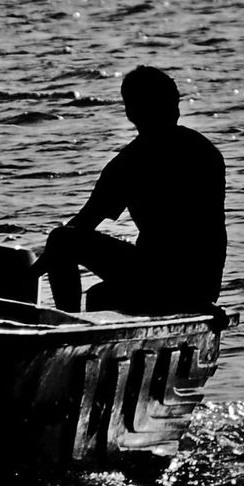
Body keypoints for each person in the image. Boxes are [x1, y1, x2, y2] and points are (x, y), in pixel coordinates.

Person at [31, 66, 226, 314]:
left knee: (61, 239)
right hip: (202, 285)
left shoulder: (130, 163)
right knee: (100, 296)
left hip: (169, 282)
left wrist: (31, 273)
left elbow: (80, 226)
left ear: (131, 112)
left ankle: (67, 324)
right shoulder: (206, 152)